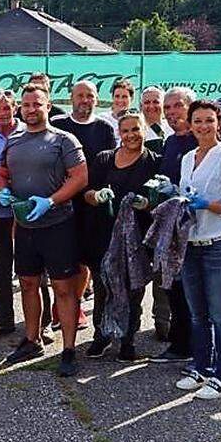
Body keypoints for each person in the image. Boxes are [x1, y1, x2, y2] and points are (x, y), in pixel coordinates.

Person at [0, 83, 88, 375]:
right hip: (25, 226)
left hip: (57, 224)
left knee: (63, 288)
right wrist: (3, 190)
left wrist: (50, 201)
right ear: (20, 109)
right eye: (26, 105)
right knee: (27, 284)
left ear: (48, 106)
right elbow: (2, 174)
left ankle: (69, 349)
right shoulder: (14, 140)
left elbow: (80, 177)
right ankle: (31, 339)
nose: (31, 110)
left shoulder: (64, 140)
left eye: (37, 104)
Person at [174, 100, 221, 400]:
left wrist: (208, 205)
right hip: (191, 244)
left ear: (219, 123)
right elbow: (183, 193)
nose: (203, 127)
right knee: (197, 314)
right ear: (190, 125)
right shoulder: (188, 158)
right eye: (198, 121)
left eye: (209, 121)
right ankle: (202, 367)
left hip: (219, 245)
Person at [83, 111, 161, 361]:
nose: (131, 135)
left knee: (133, 289)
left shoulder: (153, 161)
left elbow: (160, 199)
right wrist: (96, 196)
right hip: (104, 236)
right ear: (118, 133)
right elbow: (87, 193)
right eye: (125, 131)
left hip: (138, 238)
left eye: (135, 130)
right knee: (103, 287)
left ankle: (128, 341)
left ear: (144, 131)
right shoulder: (105, 159)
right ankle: (102, 336)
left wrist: (146, 204)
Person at [0, 89, 51, 339]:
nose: (2, 113)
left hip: (27, 205)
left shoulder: (26, 130)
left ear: (15, 108)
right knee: (1, 265)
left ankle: (44, 323)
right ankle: (3, 319)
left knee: (35, 266)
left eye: (7, 108)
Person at [51, 81, 118, 330]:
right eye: (80, 95)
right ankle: (60, 305)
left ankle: (75, 304)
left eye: (90, 95)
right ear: (71, 98)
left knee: (86, 258)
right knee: (63, 258)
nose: (85, 100)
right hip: (61, 201)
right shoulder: (58, 125)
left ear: (97, 99)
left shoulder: (104, 129)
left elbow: (110, 166)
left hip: (92, 205)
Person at [149, 86, 198, 361]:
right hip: (172, 228)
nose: (171, 113)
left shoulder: (199, 141)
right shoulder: (170, 142)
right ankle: (180, 344)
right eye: (166, 108)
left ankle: (194, 347)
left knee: (191, 289)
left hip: (197, 227)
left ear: (190, 108)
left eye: (177, 106)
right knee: (175, 288)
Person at [140, 86, 172, 154]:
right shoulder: (136, 129)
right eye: (147, 102)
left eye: (156, 102)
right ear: (141, 106)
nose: (151, 106)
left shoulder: (172, 127)